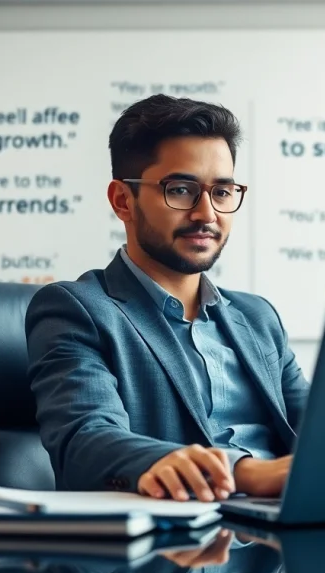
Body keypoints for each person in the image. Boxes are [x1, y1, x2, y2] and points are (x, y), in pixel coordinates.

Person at [25, 94, 310, 503]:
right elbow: (85, 441)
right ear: (124, 201)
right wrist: (245, 473)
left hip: (281, 541)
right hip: (170, 550)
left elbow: (322, 431)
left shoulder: (258, 317)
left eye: (223, 192)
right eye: (180, 190)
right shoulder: (78, 309)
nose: (207, 214)